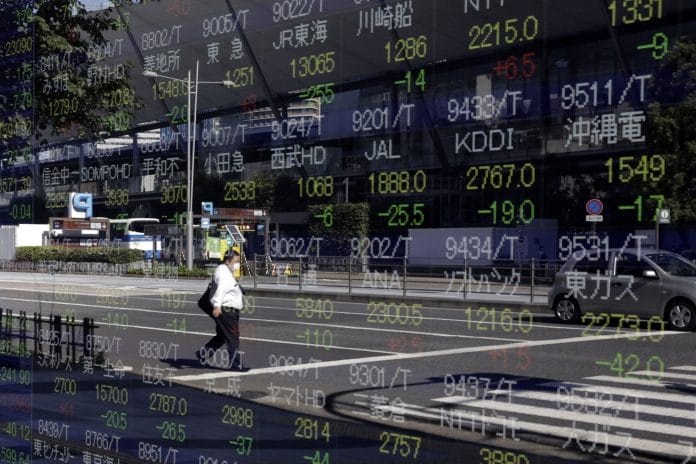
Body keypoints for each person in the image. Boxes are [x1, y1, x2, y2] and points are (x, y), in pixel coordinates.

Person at [197, 249, 247, 370]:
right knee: (233, 337)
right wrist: (217, 306)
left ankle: (203, 353)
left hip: (227, 310)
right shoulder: (223, 273)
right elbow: (221, 289)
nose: (237, 265)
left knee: (222, 335)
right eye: (236, 261)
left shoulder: (225, 271)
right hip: (226, 311)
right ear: (229, 261)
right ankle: (236, 365)